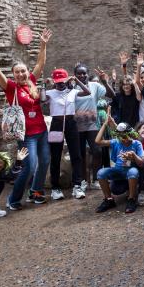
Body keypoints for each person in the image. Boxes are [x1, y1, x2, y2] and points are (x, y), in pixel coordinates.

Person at [0, 29, 51, 209]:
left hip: (42, 130)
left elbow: (41, 63)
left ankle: (35, 192)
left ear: (27, 72)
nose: (20, 74)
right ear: (13, 75)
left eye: (23, 71)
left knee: (44, 162)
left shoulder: (33, 80)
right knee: (29, 166)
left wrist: (43, 44)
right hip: (26, 135)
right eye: (17, 72)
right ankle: (13, 200)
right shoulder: (11, 87)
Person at [46, 68, 90, 201]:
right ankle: (55, 187)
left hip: (71, 123)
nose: (61, 84)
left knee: (76, 155)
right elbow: (41, 99)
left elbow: (87, 92)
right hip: (56, 124)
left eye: (63, 81)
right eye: (58, 82)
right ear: (54, 81)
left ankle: (77, 186)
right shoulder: (50, 92)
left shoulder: (73, 91)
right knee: (55, 156)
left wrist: (76, 80)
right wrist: (44, 85)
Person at [94, 120, 144, 214]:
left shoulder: (136, 144)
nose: (123, 138)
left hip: (130, 172)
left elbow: (142, 163)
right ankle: (108, 199)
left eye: (125, 135)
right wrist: (105, 124)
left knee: (133, 172)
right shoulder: (116, 142)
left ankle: (131, 199)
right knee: (101, 173)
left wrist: (134, 156)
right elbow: (98, 141)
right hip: (118, 171)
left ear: (130, 133)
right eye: (120, 136)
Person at [73, 63, 106, 190]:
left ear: (88, 74)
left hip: (92, 125)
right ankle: (83, 180)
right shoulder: (71, 88)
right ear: (74, 75)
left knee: (97, 151)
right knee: (80, 154)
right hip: (77, 126)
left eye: (84, 73)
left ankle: (96, 179)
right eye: (79, 73)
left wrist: (105, 81)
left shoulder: (95, 86)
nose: (82, 75)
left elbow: (111, 94)